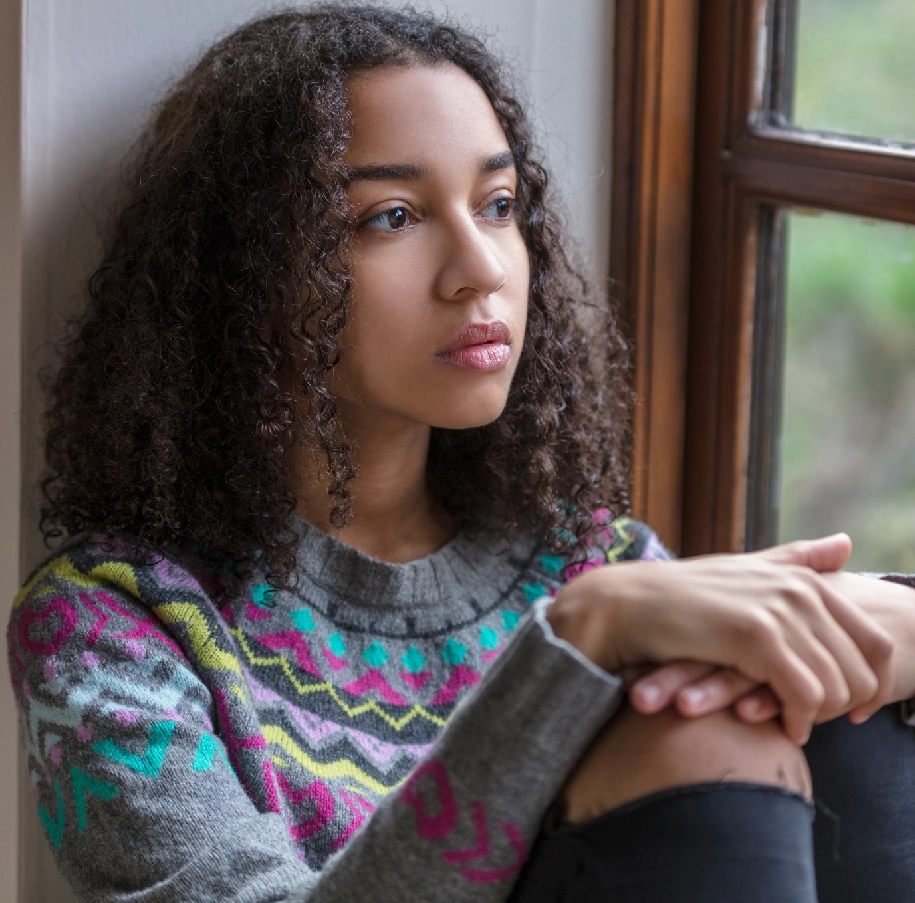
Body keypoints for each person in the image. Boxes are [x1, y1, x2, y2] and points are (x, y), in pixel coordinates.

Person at [8, 5, 915, 902]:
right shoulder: (110, 629)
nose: (479, 267)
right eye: (391, 216)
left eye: (498, 203)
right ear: (241, 272)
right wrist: (577, 643)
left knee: (810, 697)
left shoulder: (588, 563)